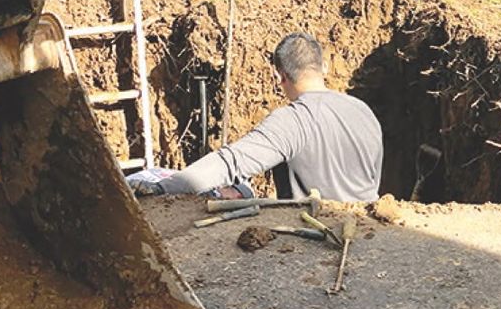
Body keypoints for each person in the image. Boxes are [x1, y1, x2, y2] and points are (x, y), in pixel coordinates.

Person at [132, 32, 383, 203]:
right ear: (324, 67)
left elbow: (230, 162)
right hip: (369, 236)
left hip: (319, 239)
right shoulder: (363, 110)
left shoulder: (294, 121)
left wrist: (162, 188)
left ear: (279, 77)